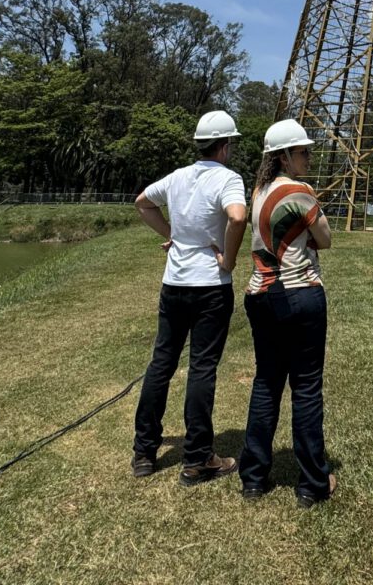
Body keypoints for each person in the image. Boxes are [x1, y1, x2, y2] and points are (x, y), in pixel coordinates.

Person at [131, 109, 248, 484]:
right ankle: (198, 458)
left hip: (174, 284)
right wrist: (228, 259)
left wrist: (170, 234)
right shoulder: (228, 179)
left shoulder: (179, 177)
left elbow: (142, 202)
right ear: (226, 145)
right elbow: (238, 216)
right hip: (211, 287)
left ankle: (144, 452)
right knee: (201, 368)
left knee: (161, 363)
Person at [238, 119, 337, 507]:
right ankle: (313, 482)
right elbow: (325, 239)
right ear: (284, 156)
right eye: (303, 152)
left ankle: (253, 478)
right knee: (307, 387)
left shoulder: (259, 191)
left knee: (266, 383)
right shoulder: (300, 191)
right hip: (300, 294)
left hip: (260, 294)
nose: (308, 157)